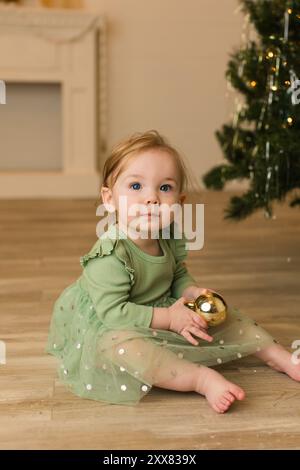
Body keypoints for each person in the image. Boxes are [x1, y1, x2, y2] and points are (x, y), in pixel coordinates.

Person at [46, 129, 300, 413]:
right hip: (115, 319)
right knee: (118, 346)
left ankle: (279, 356)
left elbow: (176, 274)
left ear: (179, 202)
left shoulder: (167, 235)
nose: (151, 199)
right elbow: (113, 314)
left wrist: (191, 291)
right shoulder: (109, 258)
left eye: (164, 188)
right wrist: (169, 318)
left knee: (227, 315)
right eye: (135, 187)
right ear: (109, 198)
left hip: (162, 309)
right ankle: (200, 379)